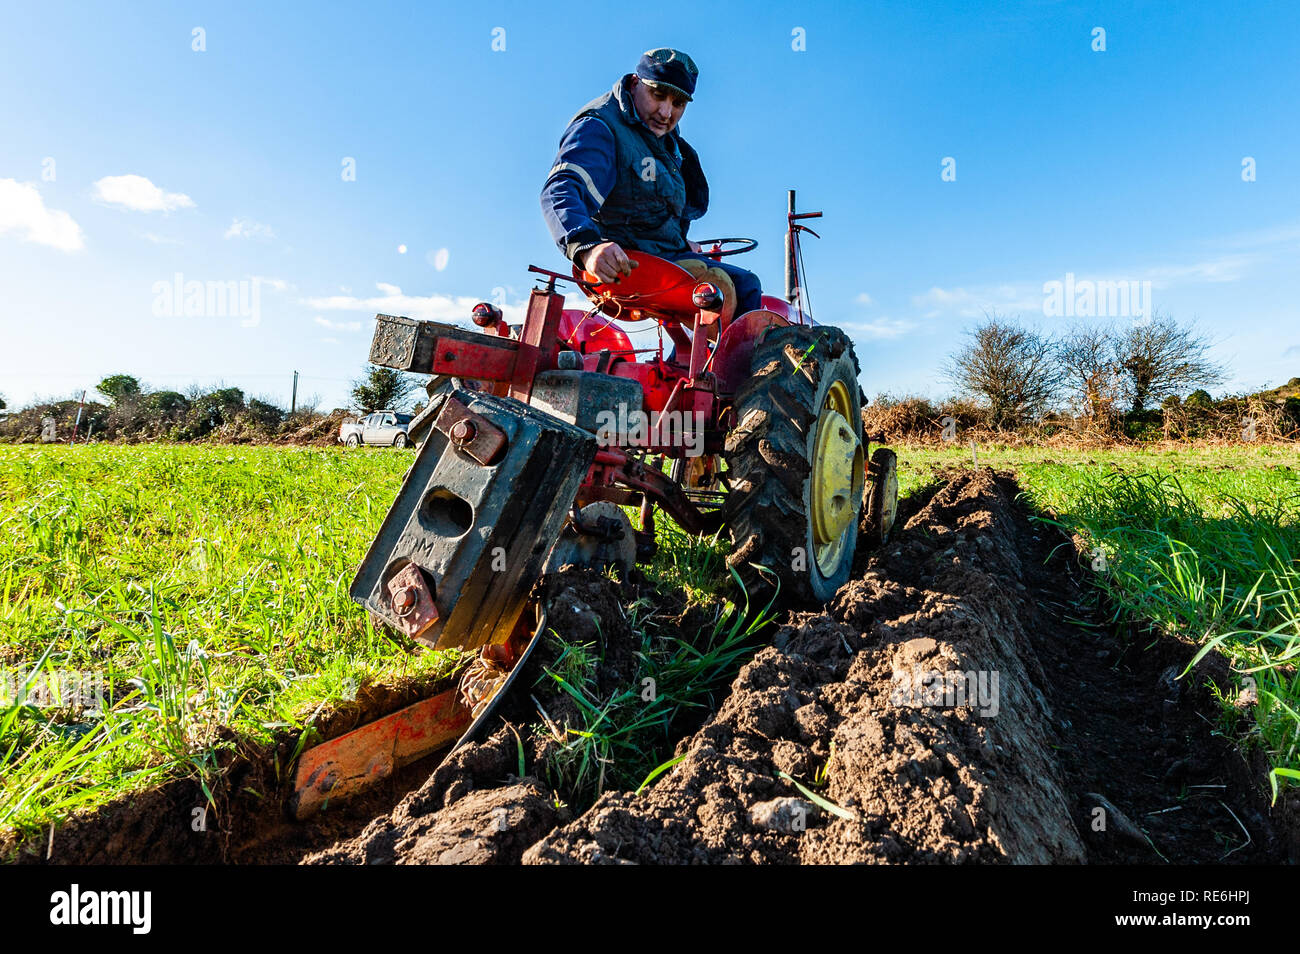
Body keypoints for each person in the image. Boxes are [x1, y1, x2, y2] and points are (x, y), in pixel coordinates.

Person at [540, 47, 763, 318]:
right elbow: (561, 189)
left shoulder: (667, 143)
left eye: (678, 104)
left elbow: (647, 205)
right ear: (635, 83)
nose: (666, 112)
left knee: (744, 285)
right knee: (742, 288)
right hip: (632, 262)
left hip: (664, 253)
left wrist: (681, 241)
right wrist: (587, 246)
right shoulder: (601, 126)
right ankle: (734, 361)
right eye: (658, 95)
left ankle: (690, 360)